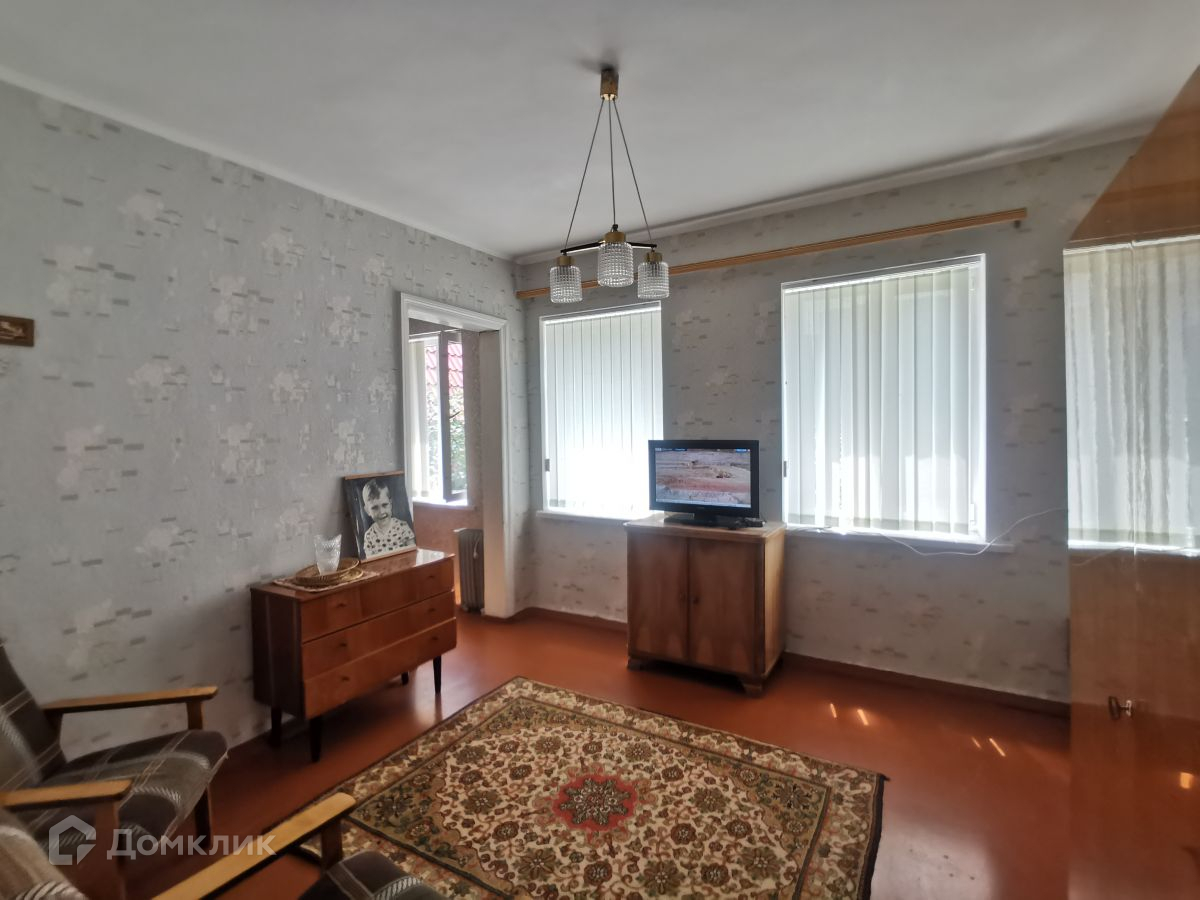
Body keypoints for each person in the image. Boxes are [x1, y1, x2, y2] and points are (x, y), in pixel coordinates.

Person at [361, 479, 415, 557]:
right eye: (375, 508)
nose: (381, 512)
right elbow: (370, 560)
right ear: (367, 510)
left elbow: (413, 554)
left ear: (390, 504)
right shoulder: (369, 536)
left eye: (385, 505)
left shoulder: (403, 527)